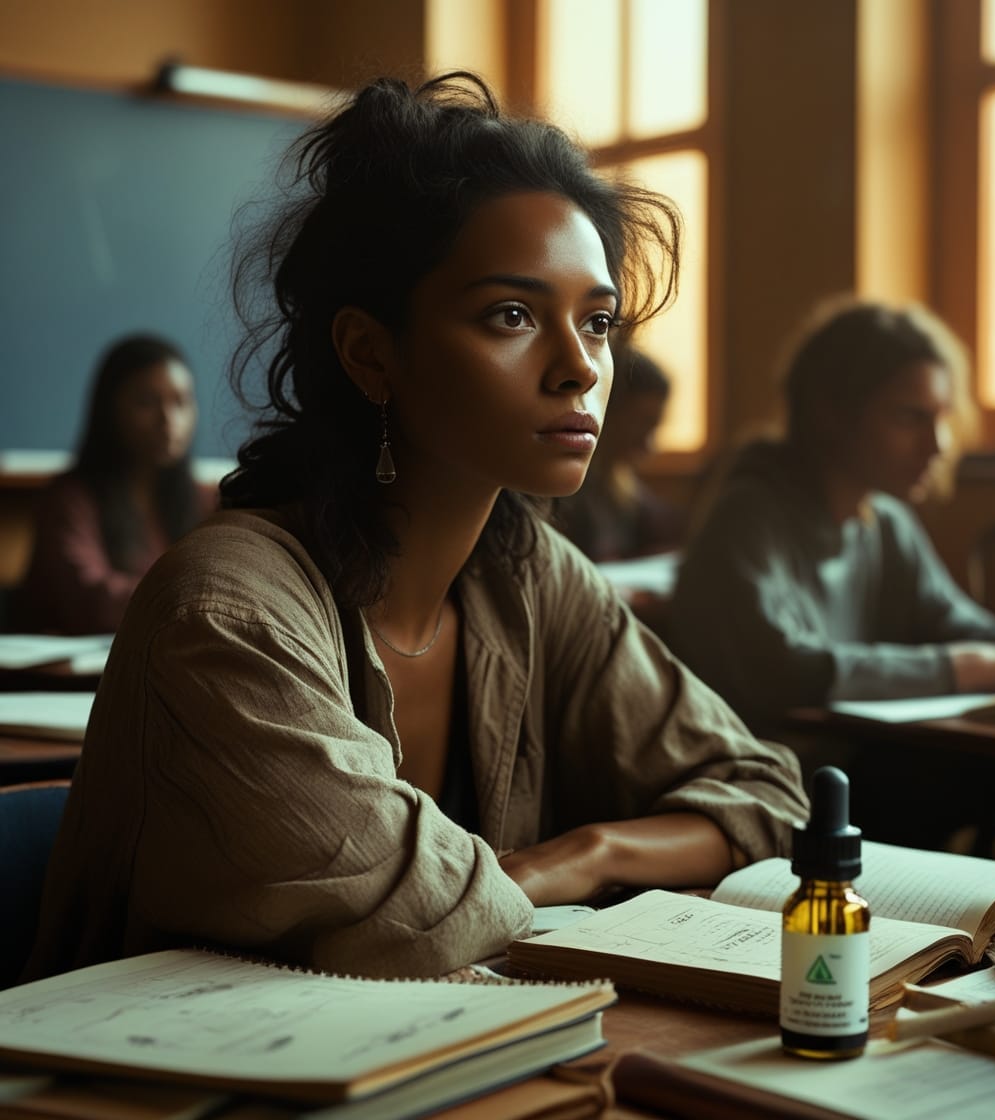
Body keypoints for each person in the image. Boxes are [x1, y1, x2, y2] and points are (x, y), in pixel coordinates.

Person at [27, 73, 808, 983]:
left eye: (597, 322)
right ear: (371, 352)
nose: (579, 369)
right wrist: (567, 871)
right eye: (511, 316)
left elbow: (767, 795)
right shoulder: (228, 611)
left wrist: (587, 853)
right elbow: (410, 913)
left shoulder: (526, 573)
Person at [668, 296, 995, 733]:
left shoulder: (885, 520)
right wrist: (976, 666)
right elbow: (779, 668)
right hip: (779, 768)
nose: (939, 445)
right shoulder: (747, 516)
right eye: (909, 418)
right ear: (830, 414)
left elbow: (953, 622)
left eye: (941, 418)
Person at [20, 334, 203, 634]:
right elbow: (90, 602)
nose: (169, 420)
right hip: (78, 676)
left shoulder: (203, 500)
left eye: (181, 402)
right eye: (147, 402)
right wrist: (194, 599)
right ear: (110, 409)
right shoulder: (70, 499)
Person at [554, 341, 682, 561]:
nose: (649, 443)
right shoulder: (566, 488)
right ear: (609, 411)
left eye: (655, 427)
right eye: (643, 423)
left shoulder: (622, 486)